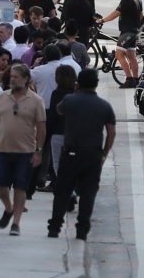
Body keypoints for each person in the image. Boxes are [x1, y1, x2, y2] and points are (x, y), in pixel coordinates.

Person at [48, 68, 116, 240]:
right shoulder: (104, 106)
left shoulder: (70, 100)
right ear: (96, 84)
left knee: (62, 191)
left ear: (78, 83)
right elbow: (111, 132)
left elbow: (59, 110)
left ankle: (55, 227)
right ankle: (82, 229)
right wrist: (104, 153)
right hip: (92, 154)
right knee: (88, 193)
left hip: (71, 152)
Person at [0, 63, 46, 236]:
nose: (12, 79)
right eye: (11, 76)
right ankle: (8, 208)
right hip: (3, 148)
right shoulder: (3, 97)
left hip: (25, 150)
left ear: (26, 79)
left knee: (20, 187)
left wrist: (38, 151)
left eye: (16, 77)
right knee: (0, 186)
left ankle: (16, 223)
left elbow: (41, 127)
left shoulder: (36, 101)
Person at [99, 0, 143, 87]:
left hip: (127, 31)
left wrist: (103, 20)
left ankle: (129, 79)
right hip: (134, 31)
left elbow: (116, 13)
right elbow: (142, 15)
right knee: (131, 56)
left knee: (119, 54)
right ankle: (136, 79)